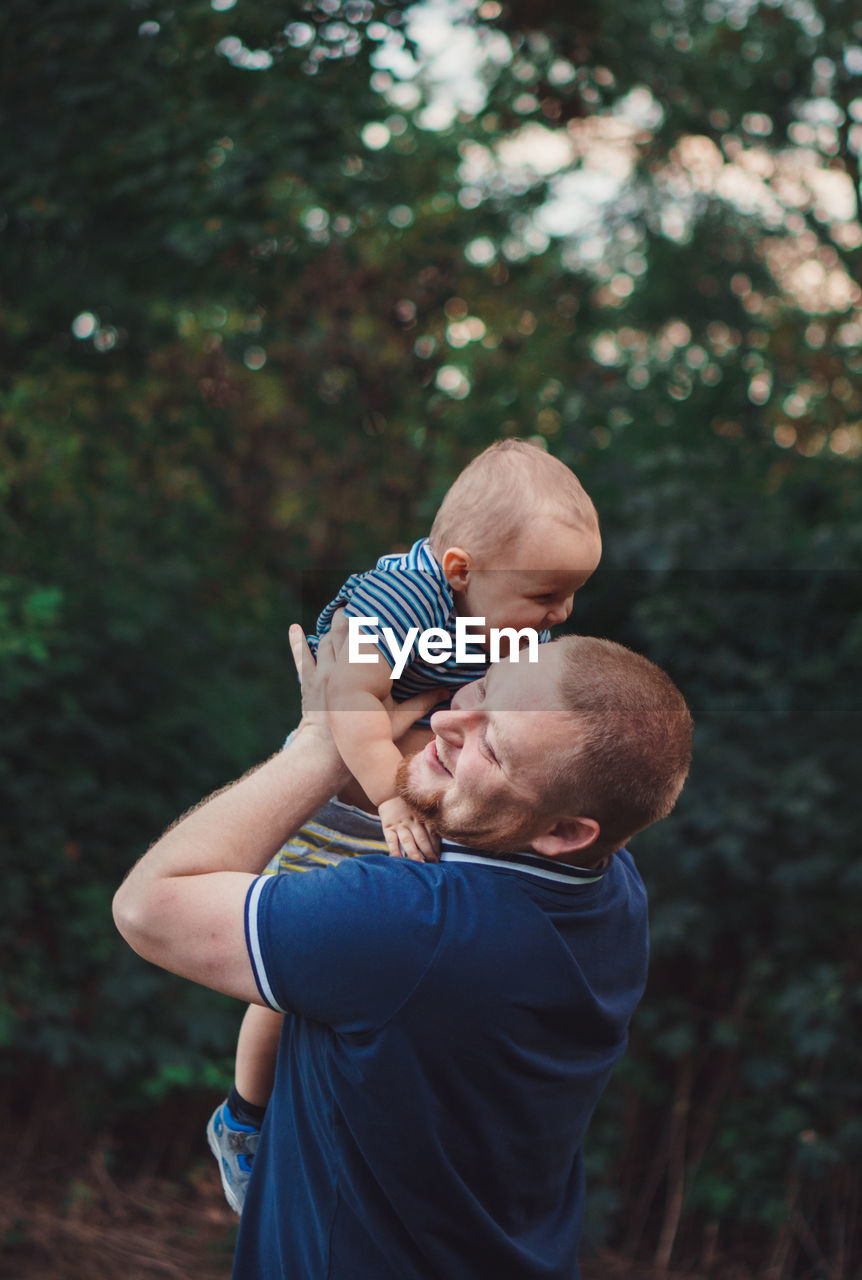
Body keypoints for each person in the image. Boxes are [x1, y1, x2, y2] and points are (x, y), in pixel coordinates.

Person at [112, 617, 693, 1280]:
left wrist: (323, 741)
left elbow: (147, 909)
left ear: (563, 831)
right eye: (477, 690)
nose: (446, 723)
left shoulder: (412, 926)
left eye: (493, 749)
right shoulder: (612, 889)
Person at [209, 438, 603, 1211]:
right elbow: (344, 706)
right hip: (341, 801)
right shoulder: (395, 602)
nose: (558, 614)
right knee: (283, 990)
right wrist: (390, 793)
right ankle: (244, 1121)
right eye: (545, 594)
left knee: (403, 961)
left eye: (570, 596)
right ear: (460, 570)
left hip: (425, 806)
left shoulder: (508, 619)